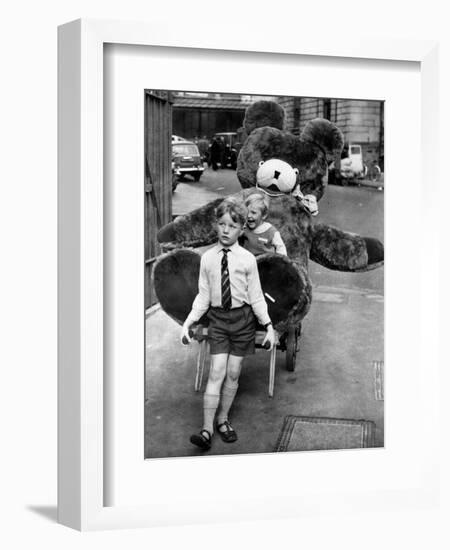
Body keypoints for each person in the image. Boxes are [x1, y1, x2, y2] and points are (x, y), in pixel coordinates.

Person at [181, 197, 276, 451]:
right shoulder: (208, 259)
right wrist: (188, 322)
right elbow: (203, 295)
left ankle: (223, 420)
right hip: (219, 320)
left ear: (241, 229)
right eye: (221, 224)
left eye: (232, 226)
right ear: (216, 225)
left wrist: (267, 326)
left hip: (243, 320)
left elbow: (256, 296)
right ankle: (206, 429)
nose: (225, 230)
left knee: (233, 373)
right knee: (216, 372)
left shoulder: (247, 260)